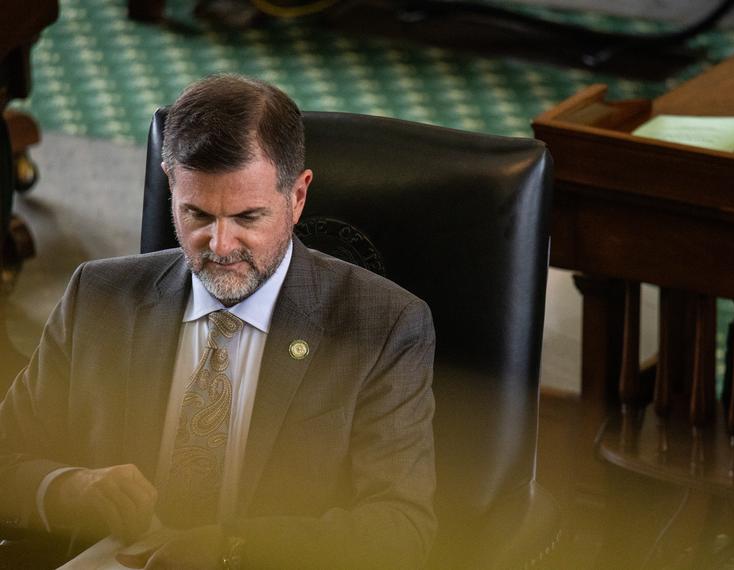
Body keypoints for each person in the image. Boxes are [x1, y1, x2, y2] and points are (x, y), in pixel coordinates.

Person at [0, 74, 437, 569]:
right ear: (170, 183)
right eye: (198, 215)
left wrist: (233, 550)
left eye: (248, 218)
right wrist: (65, 489)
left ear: (297, 196)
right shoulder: (97, 296)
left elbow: (402, 530)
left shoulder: (384, 327)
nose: (221, 246)